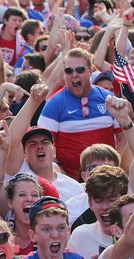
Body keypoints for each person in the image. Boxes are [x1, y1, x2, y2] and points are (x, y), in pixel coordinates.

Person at [38, 48, 123, 179]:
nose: (74, 75)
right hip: (69, 179)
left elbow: (124, 139)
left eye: (80, 70)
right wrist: (67, 180)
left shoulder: (108, 99)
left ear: (91, 70)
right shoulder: (53, 104)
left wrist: (114, 169)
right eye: (68, 71)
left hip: (109, 177)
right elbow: (43, 148)